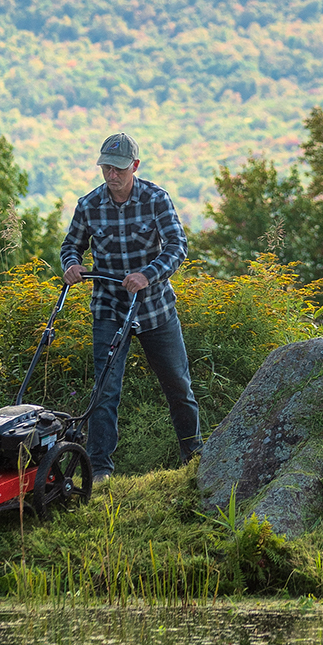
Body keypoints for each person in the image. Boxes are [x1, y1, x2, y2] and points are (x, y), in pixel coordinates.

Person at [60, 132, 202, 482]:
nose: (112, 175)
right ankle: (100, 472)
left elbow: (177, 247)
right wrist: (72, 265)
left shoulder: (156, 199)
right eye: (106, 168)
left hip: (155, 308)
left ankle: (195, 457)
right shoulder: (89, 205)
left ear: (134, 166)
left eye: (119, 169)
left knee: (178, 385)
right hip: (109, 308)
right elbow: (71, 246)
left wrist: (148, 275)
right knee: (105, 391)